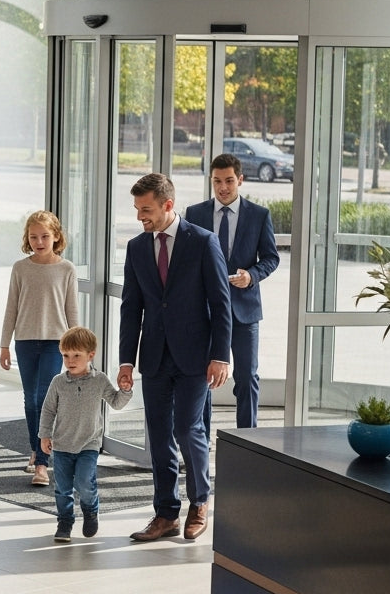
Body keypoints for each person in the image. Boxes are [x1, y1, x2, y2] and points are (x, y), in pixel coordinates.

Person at [117, 173, 231, 543]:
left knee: (187, 428)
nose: (140, 217)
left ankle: (200, 502)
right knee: (159, 435)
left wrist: (220, 355)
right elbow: (131, 308)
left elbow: (220, 302)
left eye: (146, 209)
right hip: (154, 357)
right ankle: (166, 513)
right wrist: (125, 362)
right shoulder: (136, 248)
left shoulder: (203, 242)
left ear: (168, 205)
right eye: (137, 209)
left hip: (195, 357)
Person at [184, 153, 280, 431]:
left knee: (247, 377)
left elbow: (271, 258)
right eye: (217, 181)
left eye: (228, 181)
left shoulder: (259, 215)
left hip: (244, 310)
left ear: (240, 179)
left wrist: (252, 276)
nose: (223, 187)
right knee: (203, 378)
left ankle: (247, 442)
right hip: (204, 311)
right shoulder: (195, 213)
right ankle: (199, 440)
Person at [0, 210, 79, 486]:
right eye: (34, 237)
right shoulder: (21, 268)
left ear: (57, 236)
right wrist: (4, 345)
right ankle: (36, 449)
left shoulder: (66, 269)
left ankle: (42, 465)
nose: (39, 241)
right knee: (30, 399)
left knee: (44, 398)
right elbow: (11, 308)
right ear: (27, 238)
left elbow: (72, 312)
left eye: (45, 236)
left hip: (55, 343)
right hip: (25, 342)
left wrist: (76, 350)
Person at [38, 327, 132, 543]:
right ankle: (65, 521)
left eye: (76, 355)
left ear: (91, 355)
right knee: (62, 488)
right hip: (61, 445)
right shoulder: (58, 382)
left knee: (84, 482)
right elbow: (48, 410)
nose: (70, 361)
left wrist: (125, 390)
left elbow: (116, 403)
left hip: (89, 444)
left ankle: (90, 509)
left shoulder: (99, 381)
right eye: (65, 356)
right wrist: (44, 435)